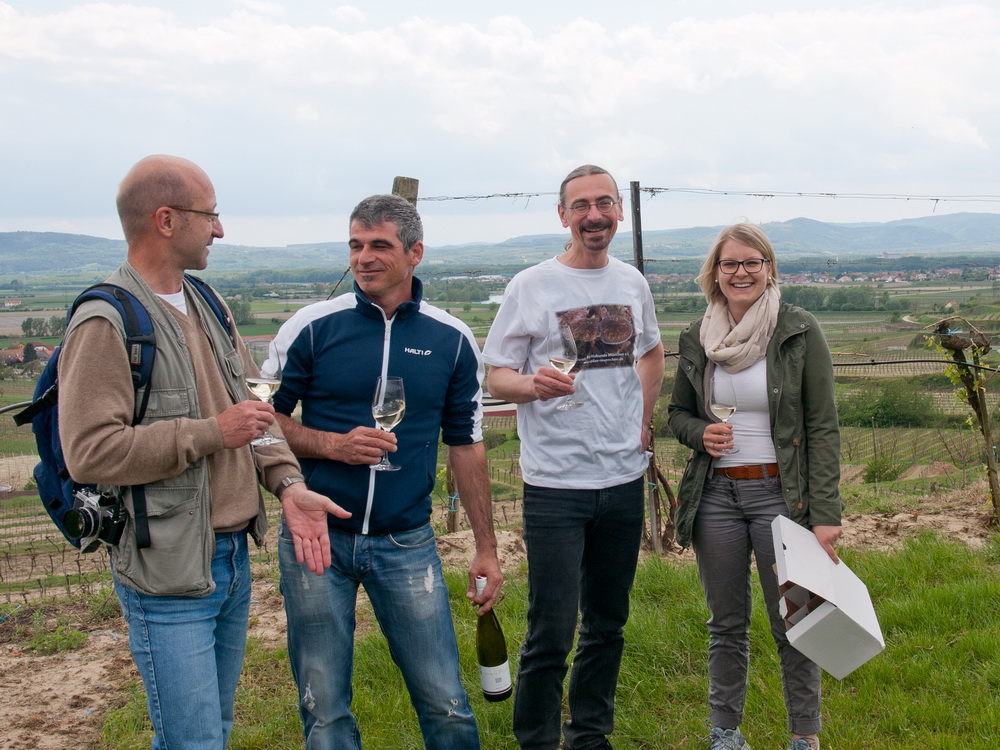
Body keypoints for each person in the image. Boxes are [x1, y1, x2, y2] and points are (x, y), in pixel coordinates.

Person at [58, 154, 344, 749]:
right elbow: (89, 452)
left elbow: (254, 415)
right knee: (192, 742)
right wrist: (210, 432)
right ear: (166, 220)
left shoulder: (208, 301)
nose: (220, 229)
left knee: (213, 731)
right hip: (166, 570)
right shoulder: (105, 321)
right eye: (210, 215)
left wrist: (288, 486)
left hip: (231, 559)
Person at [267, 193, 503, 750]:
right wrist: (330, 444)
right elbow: (264, 420)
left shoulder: (451, 337)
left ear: (415, 252)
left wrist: (486, 546)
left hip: (406, 541)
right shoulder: (311, 326)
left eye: (379, 245)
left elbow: (466, 444)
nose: (363, 257)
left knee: (446, 702)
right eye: (355, 244)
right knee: (323, 709)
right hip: (317, 536)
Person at [482, 164, 665, 750]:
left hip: (622, 478)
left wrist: (642, 418)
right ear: (563, 215)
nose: (594, 215)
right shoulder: (531, 286)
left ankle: (590, 735)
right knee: (552, 630)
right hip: (556, 485)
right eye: (581, 205)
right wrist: (532, 386)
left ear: (619, 213)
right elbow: (498, 376)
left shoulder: (633, 282)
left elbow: (653, 352)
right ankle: (536, 740)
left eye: (605, 204)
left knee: (608, 624)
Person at [667, 223, 843, 750]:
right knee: (725, 624)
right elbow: (676, 415)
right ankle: (725, 733)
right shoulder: (697, 335)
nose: (740, 272)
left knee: (798, 619)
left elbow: (823, 423)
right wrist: (702, 433)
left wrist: (827, 512)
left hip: (780, 497)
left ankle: (803, 737)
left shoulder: (797, 329)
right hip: (716, 497)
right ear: (715, 274)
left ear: (769, 268)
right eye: (729, 264)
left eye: (751, 262)